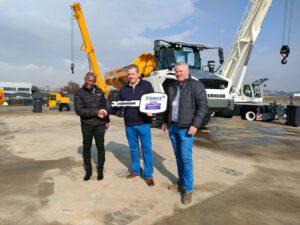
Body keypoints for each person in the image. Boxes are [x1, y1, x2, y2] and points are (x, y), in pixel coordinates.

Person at [162, 62, 208, 205]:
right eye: (176, 71)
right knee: (178, 157)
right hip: (173, 127)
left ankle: (188, 190)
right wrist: (165, 121)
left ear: (187, 71)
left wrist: (195, 125)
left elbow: (203, 106)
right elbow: (168, 106)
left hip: (186, 129)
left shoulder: (196, 86)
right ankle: (181, 182)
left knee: (186, 159)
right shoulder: (172, 86)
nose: (178, 73)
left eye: (181, 71)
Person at [116, 64, 155, 187]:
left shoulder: (147, 86)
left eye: (133, 74)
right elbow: (116, 103)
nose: (131, 76)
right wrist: (105, 112)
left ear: (138, 74)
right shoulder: (124, 89)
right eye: (129, 74)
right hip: (129, 125)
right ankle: (136, 171)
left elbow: (154, 101)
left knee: (146, 149)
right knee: (133, 149)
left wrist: (152, 111)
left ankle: (148, 175)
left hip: (143, 123)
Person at [74, 72, 109, 181]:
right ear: (85, 79)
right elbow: (79, 110)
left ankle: (100, 170)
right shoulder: (79, 93)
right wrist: (96, 112)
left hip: (100, 125)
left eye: (93, 81)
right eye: (89, 80)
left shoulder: (99, 91)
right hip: (87, 125)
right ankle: (88, 171)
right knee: (87, 147)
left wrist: (107, 120)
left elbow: (104, 106)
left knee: (101, 147)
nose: (90, 83)